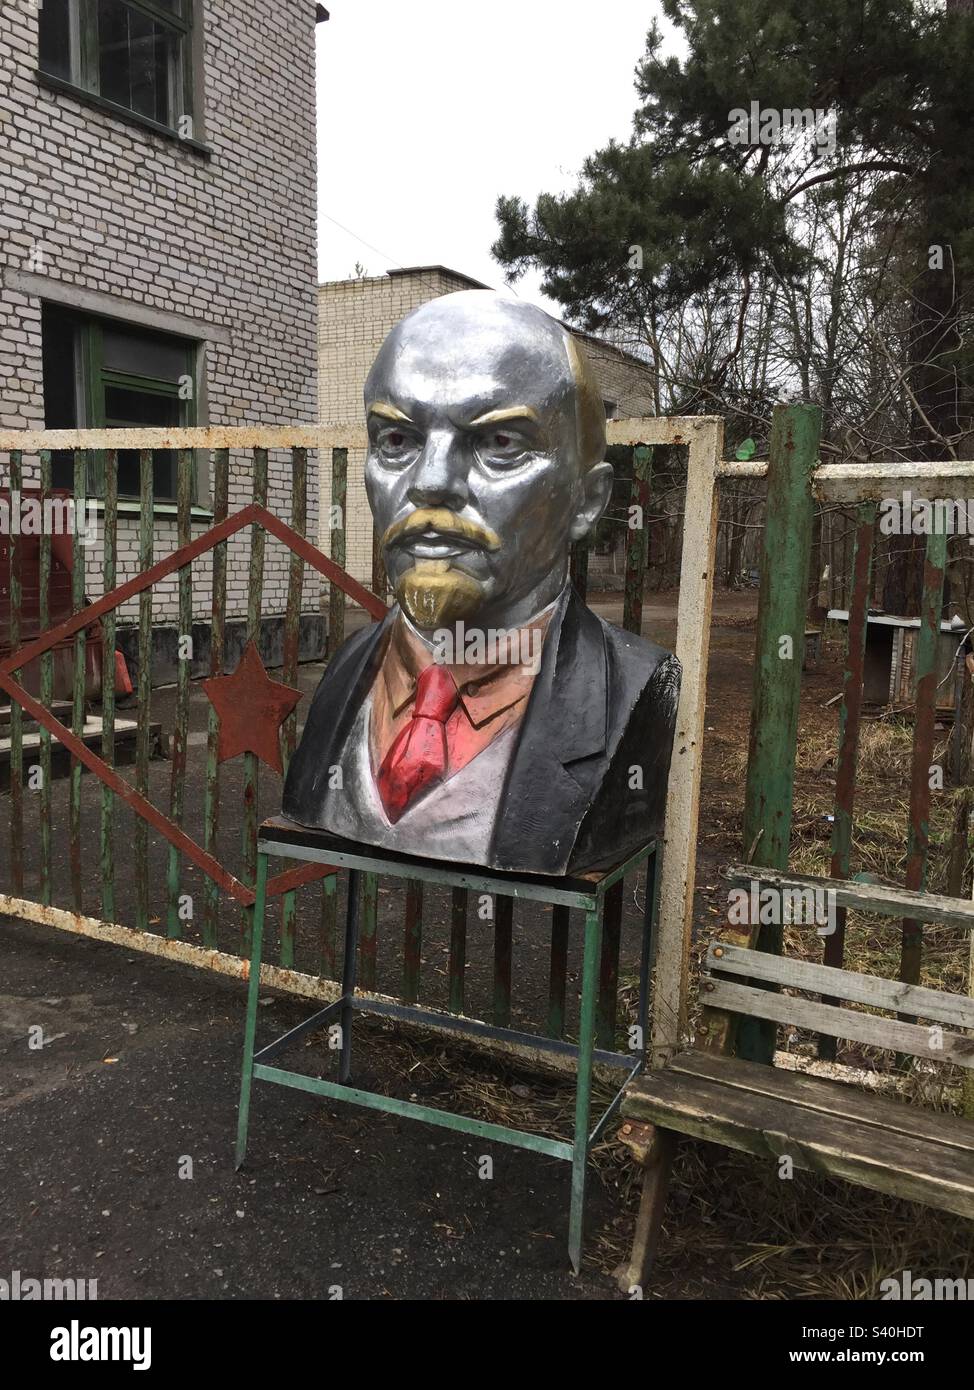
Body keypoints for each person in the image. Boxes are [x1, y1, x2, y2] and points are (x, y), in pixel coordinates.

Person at [283, 290, 680, 875]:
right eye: (397, 440)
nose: (432, 483)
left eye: (499, 443)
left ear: (587, 500)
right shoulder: (345, 676)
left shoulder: (633, 689)